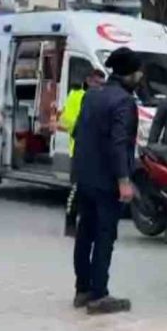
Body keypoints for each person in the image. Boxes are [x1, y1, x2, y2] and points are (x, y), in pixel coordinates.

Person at [71, 48, 141, 315]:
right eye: (139, 71)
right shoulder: (124, 102)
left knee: (85, 233)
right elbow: (119, 142)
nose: (141, 75)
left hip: (85, 176)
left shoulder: (92, 95)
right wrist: (124, 179)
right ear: (130, 73)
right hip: (107, 179)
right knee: (104, 235)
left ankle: (82, 289)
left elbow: (78, 131)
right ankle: (99, 294)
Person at [60, 69, 106, 237]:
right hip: (78, 150)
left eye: (102, 84)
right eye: (96, 83)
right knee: (76, 189)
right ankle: (70, 222)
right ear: (88, 81)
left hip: (97, 152)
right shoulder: (76, 95)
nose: (99, 87)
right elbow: (68, 121)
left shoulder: (102, 100)